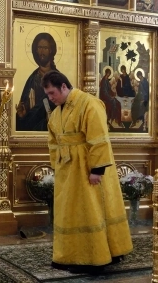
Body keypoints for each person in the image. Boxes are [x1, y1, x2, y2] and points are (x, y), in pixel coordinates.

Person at [42, 71, 133, 274]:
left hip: (87, 169)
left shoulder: (89, 104)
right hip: (67, 172)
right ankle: (70, 254)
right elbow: (53, 143)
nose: (50, 98)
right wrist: (57, 167)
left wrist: (97, 170)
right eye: (48, 94)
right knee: (70, 213)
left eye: (52, 93)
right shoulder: (56, 113)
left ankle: (98, 255)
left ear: (64, 86)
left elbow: (99, 138)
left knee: (92, 210)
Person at [16, 32, 57, 131]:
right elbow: (25, 114)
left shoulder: (57, 78)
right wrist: (21, 115)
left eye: (45, 48)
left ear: (51, 50)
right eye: (39, 47)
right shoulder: (32, 79)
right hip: (33, 130)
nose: (42, 51)